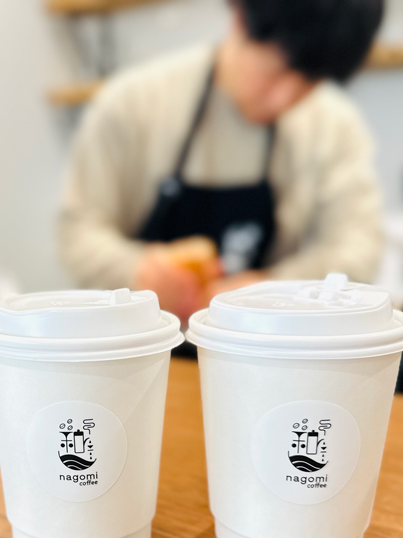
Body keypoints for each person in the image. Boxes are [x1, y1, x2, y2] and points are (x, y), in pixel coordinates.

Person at [59, 0, 385, 322]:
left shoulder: (333, 126)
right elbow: (79, 231)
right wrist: (135, 269)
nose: (284, 99)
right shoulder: (134, 105)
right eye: (276, 72)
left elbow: (357, 249)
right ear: (240, 17)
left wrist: (276, 290)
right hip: (144, 342)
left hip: (264, 343)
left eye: (309, 83)